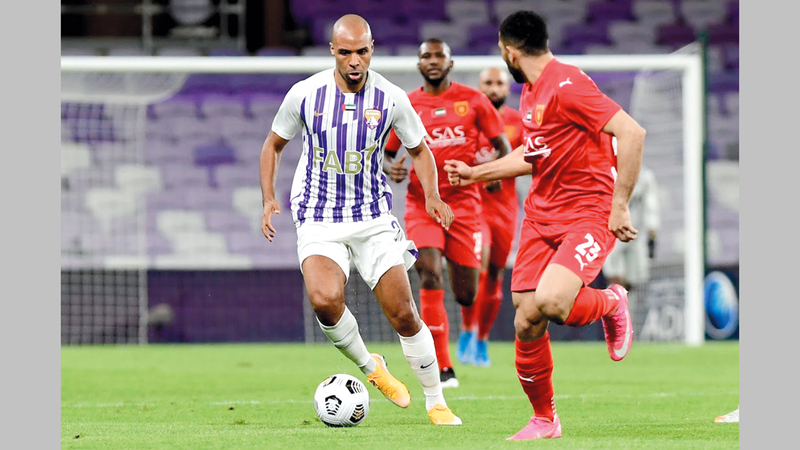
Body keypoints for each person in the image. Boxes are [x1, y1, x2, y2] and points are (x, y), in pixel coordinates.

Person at [444, 10, 646, 440]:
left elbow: (632, 133)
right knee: (526, 317)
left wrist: (620, 205)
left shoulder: (568, 84)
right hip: (541, 215)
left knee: (553, 302)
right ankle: (544, 420)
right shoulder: (531, 91)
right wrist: (476, 173)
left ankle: (611, 302)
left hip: (588, 212)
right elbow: (533, 154)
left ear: (509, 52)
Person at [259, 14, 461, 426]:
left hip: (372, 218)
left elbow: (420, 150)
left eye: (362, 52)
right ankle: (372, 366)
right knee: (324, 301)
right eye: (346, 52)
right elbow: (273, 145)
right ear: (332, 50)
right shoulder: (305, 94)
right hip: (318, 215)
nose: (355, 61)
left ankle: (436, 400)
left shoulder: (391, 98)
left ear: (372, 50)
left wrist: (433, 194)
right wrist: (268, 198)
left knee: (404, 314)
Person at [383, 38, 513, 388]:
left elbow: (503, 146)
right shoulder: (408, 104)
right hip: (422, 203)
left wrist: (494, 173)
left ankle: (462, 339)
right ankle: (441, 367)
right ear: (419, 64)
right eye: (426, 55)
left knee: (466, 294)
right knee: (429, 273)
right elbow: (387, 155)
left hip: (465, 207)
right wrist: (393, 169)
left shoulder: (474, 101)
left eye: (439, 56)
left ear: (450, 64)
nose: (433, 61)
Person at [457, 67, 525, 368]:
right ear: (479, 86)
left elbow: (529, 157)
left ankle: (482, 338)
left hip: (505, 209)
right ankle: (466, 328)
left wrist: (503, 170)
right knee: (478, 264)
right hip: (474, 205)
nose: (494, 88)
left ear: (507, 88)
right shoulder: (468, 119)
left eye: (499, 83)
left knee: (496, 273)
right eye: (488, 82)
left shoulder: (518, 121)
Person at [602, 164, 660, 293]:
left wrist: (652, 230)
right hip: (613, 232)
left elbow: (651, 206)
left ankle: (628, 300)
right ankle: (615, 299)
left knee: (635, 277)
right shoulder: (609, 172)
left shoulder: (645, 177)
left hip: (636, 233)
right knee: (614, 274)